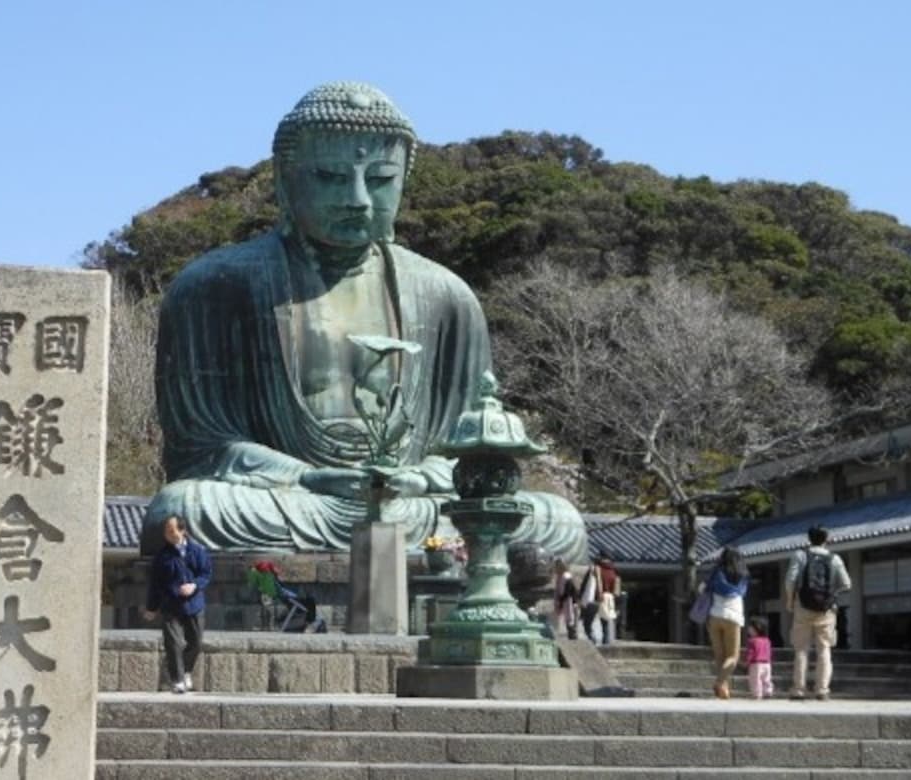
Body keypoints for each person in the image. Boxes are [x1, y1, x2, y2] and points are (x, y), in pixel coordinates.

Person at [139, 82, 587, 564]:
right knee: (183, 506)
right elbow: (200, 450)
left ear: (403, 182)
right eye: (331, 176)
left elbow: (466, 451)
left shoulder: (446, 296)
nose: (356, 198)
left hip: (411, 505)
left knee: (557, 521)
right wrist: (306, 477)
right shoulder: (215, 285)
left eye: (379, 179)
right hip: (291, 499)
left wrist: (418, 478)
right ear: (285, 182)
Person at [144, 516, 213, 693]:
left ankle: (186, 670)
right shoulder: (162, 556)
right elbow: (155, 584)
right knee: (173, 643)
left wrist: (194, 585)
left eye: (171, 529)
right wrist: (152, 607)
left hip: (194, 603)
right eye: (166, 530)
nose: (168, 533)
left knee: (196, 642)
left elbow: (206, 574)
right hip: (170, 604)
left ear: (182, 530)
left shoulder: (198, 551)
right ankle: (178, 679)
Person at [784, 525, 852, 700]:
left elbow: (790, 581)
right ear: (826, 539)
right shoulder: (834, 558)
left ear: (809, 538)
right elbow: (847, 584)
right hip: (826, 610)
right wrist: (831, 595)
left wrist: (790, 601)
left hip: (802, 606)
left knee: (801, 649)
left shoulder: (800, 555)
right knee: (824, 649)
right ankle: (822, 690)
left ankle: (799, 689)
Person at [705, 547, 749, 699]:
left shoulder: (716, 572)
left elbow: (704, 588)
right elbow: (742, 593)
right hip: (733, 616)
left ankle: (724, 689)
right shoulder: (742, 575)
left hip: (714, 615)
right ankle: (719, 683)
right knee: (733, 657)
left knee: (720, 657)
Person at [744, 616, 774, 700]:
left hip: (755, 663)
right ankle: (768, 692)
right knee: (767, 679)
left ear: (756, 629)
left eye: (750, 627)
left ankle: (757, 694)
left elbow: (751, 653)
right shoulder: (767, 640)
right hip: (767, 664)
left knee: (755, 680)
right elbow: (769, 652)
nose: (749, 629)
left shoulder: (752, 641)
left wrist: (747, 661)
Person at [595, 556, 621, 644]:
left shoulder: (599, 570)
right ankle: (606, 640)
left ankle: (605, 641)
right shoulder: (613, 571)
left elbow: (598, 583)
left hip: (602, 596)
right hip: (610, 597)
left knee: (603, 620)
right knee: (607, 620)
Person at [578, 560, 605, 643]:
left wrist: (580, 599)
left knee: (587, 623)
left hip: (590, 601)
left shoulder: (591, 574)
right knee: (594, 622)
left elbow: (584, 588)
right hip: (598, 601)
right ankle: (595, 639)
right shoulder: (607, 572)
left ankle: (593, 639)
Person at [552, 559, 579, 640]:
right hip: (564, 599)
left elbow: (570, 589)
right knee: (568, 619)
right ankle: (571, 634)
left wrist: (562, 598)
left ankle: (572, 634)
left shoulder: (566, 576)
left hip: (568, 599)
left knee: (570, 618)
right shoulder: (560, 576)